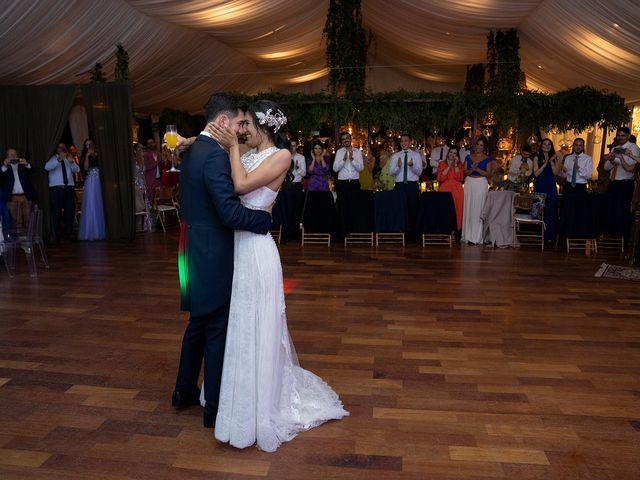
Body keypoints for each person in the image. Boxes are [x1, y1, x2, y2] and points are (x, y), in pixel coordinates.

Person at [206, 99, 348, 452]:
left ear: (263, 127)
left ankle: (262, 405)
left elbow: (239, 186)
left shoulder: (281, 157)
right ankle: (237, 402)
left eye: (246, 125)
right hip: (235, 246)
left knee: (258, 325)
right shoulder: (249, 152)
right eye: (240, 127)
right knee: (238, 323)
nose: (242, 131)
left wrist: (233, 148)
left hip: (256, 250)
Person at [172, 93, 274, 428]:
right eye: (237, 123)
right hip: (211, 251)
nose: (240, 130)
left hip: (191, 248)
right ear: (222, 122)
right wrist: (264, 222)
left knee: (198, 323)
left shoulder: (193, 150)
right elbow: (229, 212)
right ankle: (213, 409)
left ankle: (183, 391)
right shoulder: (213, 156)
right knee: (216, 328)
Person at [602, 126, 640, 239]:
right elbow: (606, 167)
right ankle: (612, 235)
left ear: (628, 136)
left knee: (622, 209)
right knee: (611, 208)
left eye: (623, 135)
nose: (620, 137)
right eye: (618, 135)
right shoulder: (616, 148)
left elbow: (631, 167)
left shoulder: (633, 148)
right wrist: (612, 159)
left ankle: (623, 236)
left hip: (625, 183)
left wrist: (620, 159)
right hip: (613, 182)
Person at [389, 133, 423, 239]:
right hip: (399, 185)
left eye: (406, 140)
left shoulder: (416, 155)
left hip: (412, 185)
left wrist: (412, 166)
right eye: (402, 141)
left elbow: (419, 172)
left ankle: (413, 234)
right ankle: (400, 232)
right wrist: (398, 167)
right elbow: (391, 172)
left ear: (410, 142)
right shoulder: (396, 156)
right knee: (400, 209)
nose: (403, 143)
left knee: (413, 209)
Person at [45, 143, 80, 241]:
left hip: (69, 188)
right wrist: (59, 159)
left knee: (69, 211)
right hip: (56, 189)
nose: (62, 148)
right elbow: (47, 167)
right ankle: (55, 234)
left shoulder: (69, 158)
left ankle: (69, 233)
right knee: (56, 211)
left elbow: (77, 169)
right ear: (56, 149)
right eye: (60, 147)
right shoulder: (53, 158)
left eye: (63, 147)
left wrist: (72, 162)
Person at [461, 137, 491, 244]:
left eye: (481, 145)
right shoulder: (468, 157)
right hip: (469, 183)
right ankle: (468, 235)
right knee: (469, 207)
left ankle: (478, 237)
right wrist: (471, 170)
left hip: (481, 183)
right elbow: (464, 172)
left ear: (484, 147)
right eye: (477, 144)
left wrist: (477, 169)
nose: (478, 147)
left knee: (479, 208)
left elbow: (488, 173)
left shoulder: (487, 159)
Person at [533, 138, 562, 244]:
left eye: (548, 144)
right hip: (541, 184)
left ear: (551, 146)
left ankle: (549, 236)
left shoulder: (555, 157)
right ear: (541, 146)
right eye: (544, 144)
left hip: (550, 185)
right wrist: (545, 163)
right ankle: (539, 235)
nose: (546, 146)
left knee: (551, 210)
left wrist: (551, 162)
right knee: (539, 210)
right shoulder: (537, 157)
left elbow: (555, 173)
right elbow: (536, 173)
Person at [1, 148, 36, 234]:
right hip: (12, 198)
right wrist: (4, 165)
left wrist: (26, 164)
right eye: (11, 154)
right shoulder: (5, 168)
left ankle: (28, 240)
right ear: (7, 156)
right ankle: (19, 240)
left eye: (15, 154)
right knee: (16, 220)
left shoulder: (22, 165)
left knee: (28, 219)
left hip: (25, 196)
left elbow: (33, 171)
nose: (13, 156)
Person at [78, 139, 106, 241]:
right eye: (86, 145)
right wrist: (87, 156)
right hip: (91, 180)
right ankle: (91, 231)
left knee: (100, 204)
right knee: (91, 204)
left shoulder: (99, 154)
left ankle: (101, 230)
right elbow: (85, 168)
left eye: (90, 144)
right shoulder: (85, 156)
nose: (88, 146)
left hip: (100, 180)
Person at [437, 146, 464, 232]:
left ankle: (456, 230)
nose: (452, 154)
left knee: (457, 210)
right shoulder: (442, 164)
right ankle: (445, 229)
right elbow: (440, 178)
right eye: (451, 152)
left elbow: (460, 178)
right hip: (445, 189)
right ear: (448, 153)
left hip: (457, 190)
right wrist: (449, 166)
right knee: (445, 210)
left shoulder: (459, 164)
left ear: (457, 155)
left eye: (455, 153)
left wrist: (455, 165)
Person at [143, 138, 162, 205]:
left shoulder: (159, 153)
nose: (150, 144)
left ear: (154, 143)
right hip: (150, 180)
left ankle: (158, 214)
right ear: (147, 145)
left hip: (158, 180)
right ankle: (150, 214)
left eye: (151, 142)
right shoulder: (146, 155)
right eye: (149, 143)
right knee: (150, 200)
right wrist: (156, 162)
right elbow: (146, 167)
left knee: (158, 200)